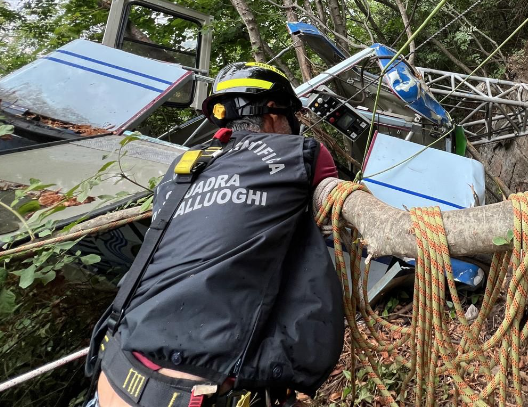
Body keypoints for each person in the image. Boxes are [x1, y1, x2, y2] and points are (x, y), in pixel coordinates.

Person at [86, 62, 344, 407]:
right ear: (273, 110)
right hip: (194, 392)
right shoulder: (301, 153)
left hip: (115, 364)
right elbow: (332, 214)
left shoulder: (182, 168)